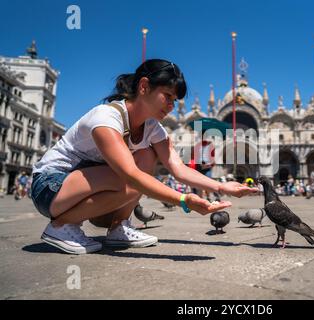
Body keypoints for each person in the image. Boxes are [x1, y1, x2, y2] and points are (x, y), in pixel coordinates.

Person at [30, 59, 258, 255]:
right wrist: (182, 201)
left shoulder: (152, 129)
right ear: (144, 86)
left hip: (83, 190)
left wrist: (224, 187)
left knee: (146, 155)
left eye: (175, 100)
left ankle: (118, 227)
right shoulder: (106, 117)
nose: (171, 105)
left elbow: (178, 169)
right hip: (49, 187)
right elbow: (130, 175)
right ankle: (60, 227)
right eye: (167, 96)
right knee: (131, 175)